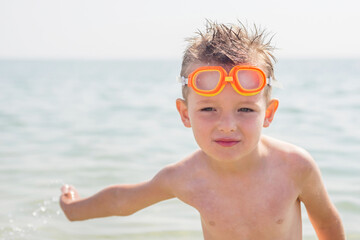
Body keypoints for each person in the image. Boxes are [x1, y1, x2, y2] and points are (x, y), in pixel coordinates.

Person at [60, 21, 345, 239]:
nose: (227, 125)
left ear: (268, 114)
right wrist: (75, 210)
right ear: (185, 114)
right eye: (209, 109)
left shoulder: (295, 166)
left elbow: (327, 222)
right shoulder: (185, 177)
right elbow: (124, 200)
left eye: (245, 109)